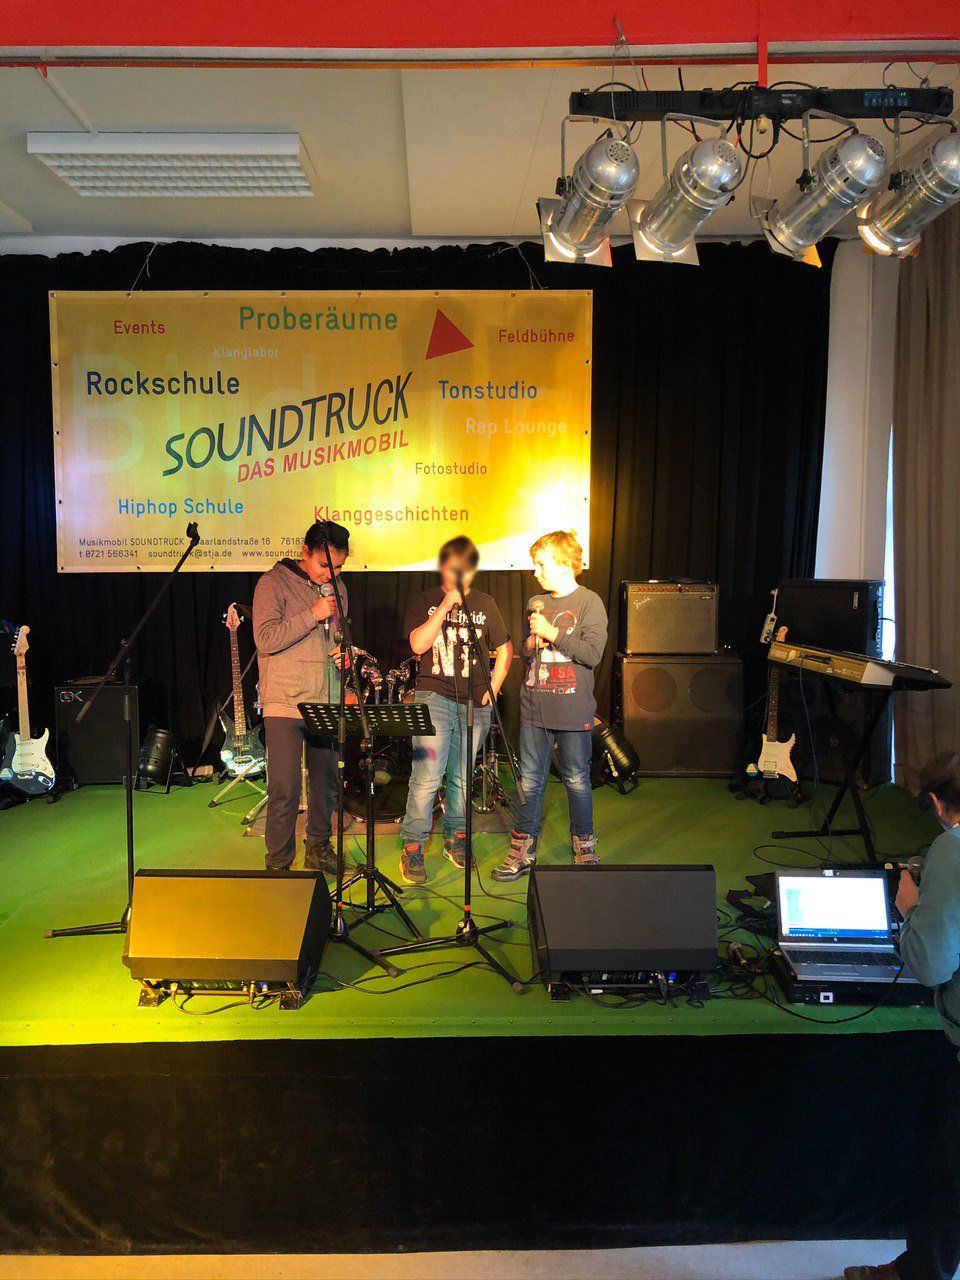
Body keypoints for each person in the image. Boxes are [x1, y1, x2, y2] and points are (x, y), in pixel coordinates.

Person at [845, 753, 960, 1280]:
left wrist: (912, 907)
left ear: (936, 803)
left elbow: (931, 965)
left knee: (949, 1177)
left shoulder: (951, 848)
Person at [492, 530, 607, 881]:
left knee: (576, 779)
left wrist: (553, 633)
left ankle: (584, 847)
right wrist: (531, 642)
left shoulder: (589, 603)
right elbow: (526, 653)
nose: (536, 572)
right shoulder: (536, 602)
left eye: (541, 565)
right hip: (534, 708)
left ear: (563, 563)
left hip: (573, 711)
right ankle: (523, 850)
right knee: (530, 780)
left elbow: (592, 654)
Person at [399, 536, 512, 885]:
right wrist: (446, 605)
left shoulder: (485, 603)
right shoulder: (426, 600)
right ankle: (413, 845)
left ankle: (457, 837)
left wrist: (493, 688)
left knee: (463, 775)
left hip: (474, 703)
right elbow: (418, 644)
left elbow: (505, 649)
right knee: (428, 775)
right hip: (434, 698)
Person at [252, 519, 350, 874]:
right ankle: (278, 864)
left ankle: (318, 847)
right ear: (305, 552)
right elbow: (265, 639)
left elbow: (337, 636)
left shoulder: (339, 589)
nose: (331, 574)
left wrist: (344, 652)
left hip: (326, 699)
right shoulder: (272, 583)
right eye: (325, 565)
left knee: (326, 785)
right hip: (285, 701)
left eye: (338, 567)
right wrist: (313, 614)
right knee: (285, 789)